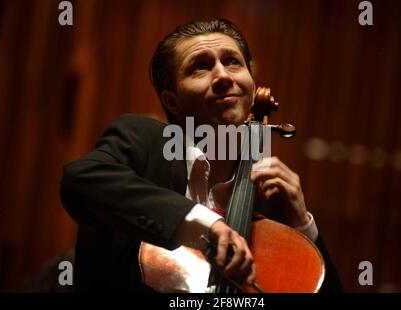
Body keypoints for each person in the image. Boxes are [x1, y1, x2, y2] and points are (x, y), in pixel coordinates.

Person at [60, 19, 343, 292]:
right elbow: (80, 181)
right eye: (201, 67)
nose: (222, 76)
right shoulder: (143, 142)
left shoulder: (268, 196)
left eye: (233, 61)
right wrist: (208, 224)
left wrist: (302, 226)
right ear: (172, 101)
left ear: (251, 82)